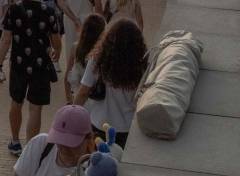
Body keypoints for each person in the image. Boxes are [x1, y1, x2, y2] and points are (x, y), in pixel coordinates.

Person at [0, 0, 61, 156]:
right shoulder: (48, 12)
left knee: (16, 102)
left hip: (18, 64)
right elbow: (56, 40)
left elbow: (5, 40)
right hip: (40, 65)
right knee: (35, 108)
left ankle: (15, 141)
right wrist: (57, 51)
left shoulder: (13, 10)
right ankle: (31, 148)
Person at [73, 20, 149, 148]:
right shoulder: (142, 64)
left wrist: (72, 112)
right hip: (129, 127)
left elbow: (83, 92)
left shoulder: (97, 61)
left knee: (99, 163)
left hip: (101, 124)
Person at [12, 105, 97, 176]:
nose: (64, 149)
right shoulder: (40, 144)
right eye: (59, 140)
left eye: (71, 143)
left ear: (89, 138)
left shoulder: (97, 168)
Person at [64, 13, 105, 105]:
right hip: (99, 98)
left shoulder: (76, 48)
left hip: (79, 96)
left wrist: (69, 100)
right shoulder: (104, 49)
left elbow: (67, 77)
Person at [42, 0, 64, 72]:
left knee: (58, 38)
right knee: (48, 37)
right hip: (47, 13)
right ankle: (50, 60)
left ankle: (57, 61)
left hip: (59, 13)